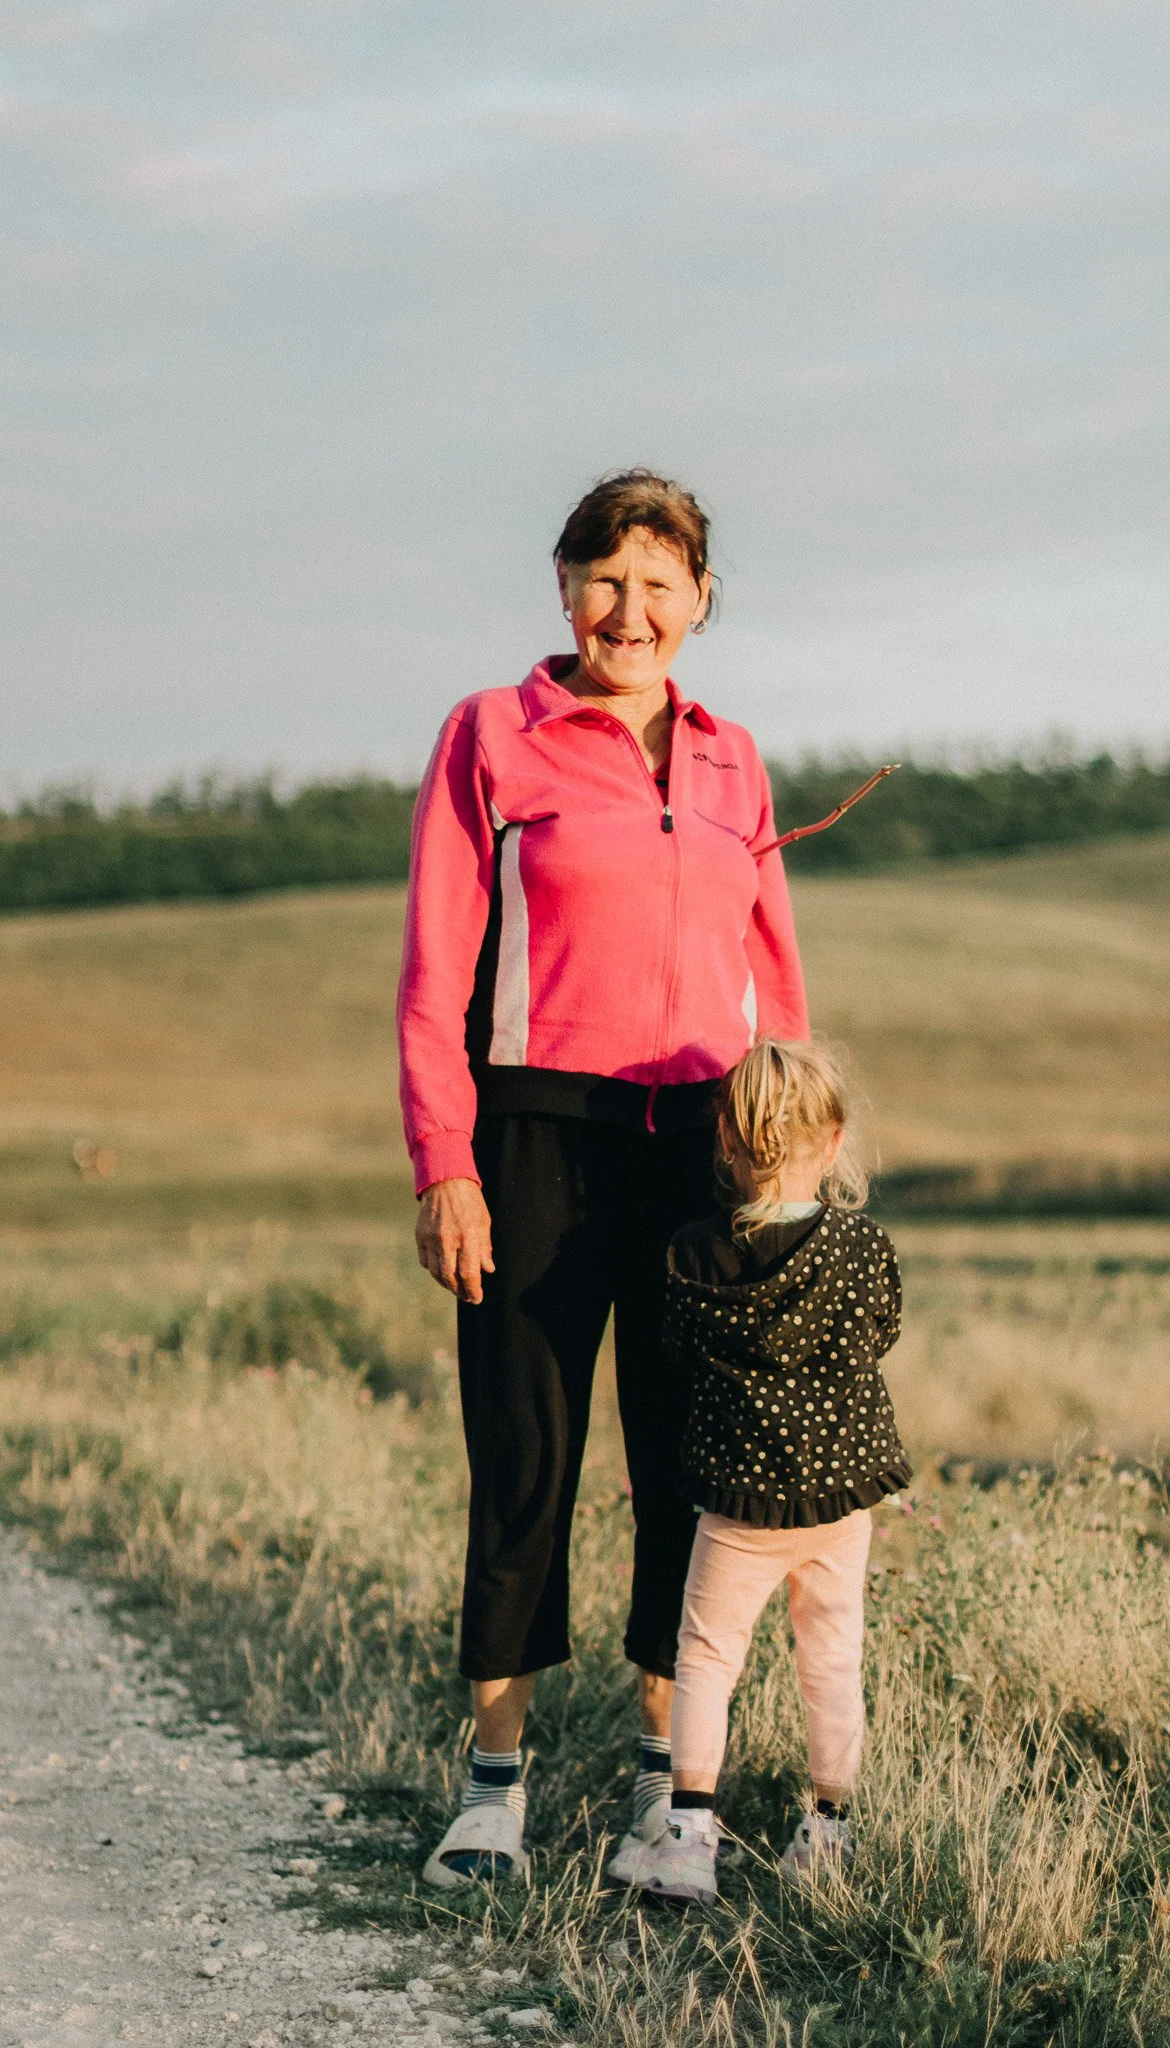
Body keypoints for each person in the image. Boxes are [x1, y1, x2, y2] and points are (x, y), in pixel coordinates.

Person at [396, 470, 810, 1886]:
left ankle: (664, 1789)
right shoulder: (491, 738)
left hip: (700, 1146)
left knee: (686, 1470)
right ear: (563, 587)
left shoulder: (732, 760)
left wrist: (789, 1170)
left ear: (699, 600)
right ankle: (493, 1788)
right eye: (603, 577)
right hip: (535, 1137)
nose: (629, 610)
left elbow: (776, 983)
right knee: (523, 1455)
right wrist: (444, 1165)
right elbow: (432, 975)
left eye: (660, 581)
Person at [630, 1038, 910, 1904]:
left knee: (708, 1657)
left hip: (738, 1501)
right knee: (831, 1658)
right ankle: (827, 1831)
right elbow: (882, 1331)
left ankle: (688, 1838)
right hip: (838, 1494)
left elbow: (675, 1352)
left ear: (723, 1144)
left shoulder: (691, 1253)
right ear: (831, 1143)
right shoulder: (861, 1248)